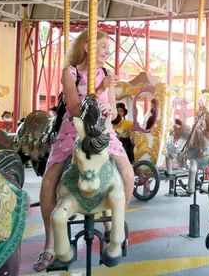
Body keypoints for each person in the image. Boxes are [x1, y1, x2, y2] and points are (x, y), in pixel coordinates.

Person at [33, 30, 135, 272]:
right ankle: (50, 243)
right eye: (103, 47)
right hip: (74, 131)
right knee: (49, 182)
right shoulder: (70, 73)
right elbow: (75, 108)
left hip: (102, 131)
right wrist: (98, 90)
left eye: (108, 49)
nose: (107, 52)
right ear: (88, 47)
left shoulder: (107, 73)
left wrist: (111, 108)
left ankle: (115, 221)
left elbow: (111, 107)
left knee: (128, 174)